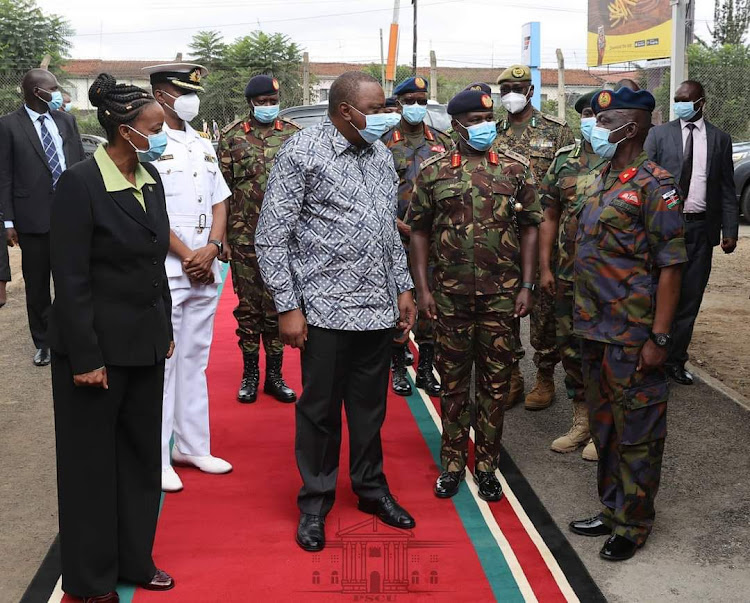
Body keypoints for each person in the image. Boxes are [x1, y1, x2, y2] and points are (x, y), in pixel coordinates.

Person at [255, 71, 417, 553]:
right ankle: (315, 502)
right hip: (323, 310)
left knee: (370, 409)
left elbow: (388, 230)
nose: (386, 115)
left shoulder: (380, 155)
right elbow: (272, 236)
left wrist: (403, 287)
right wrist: (287, 306)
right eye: (377, 107)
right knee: (320, 412)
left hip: (376, 309)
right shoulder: (301, 154)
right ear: (346, 111)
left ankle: (370, 489)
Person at [48, 73, 175, 601]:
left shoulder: (149, 177)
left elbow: (153, 263)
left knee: (140, 457)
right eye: (154, 127)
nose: (162, 134)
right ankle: (92, 577)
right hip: (96, 350)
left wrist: (164, 328)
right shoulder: (80, 183)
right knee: (91, 467)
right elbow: (71, 276)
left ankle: (134, 559)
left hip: (144, 344)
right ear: (127, 131)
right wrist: (85, 356)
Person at [569, 87, 687, 562]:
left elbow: (672, 267)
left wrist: (660, 337)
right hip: (595, 330)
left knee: (637, 431)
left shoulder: (656, 185)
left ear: (631, 126)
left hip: (634, 334)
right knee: (606, 427)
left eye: (607, 119)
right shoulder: (601, 177)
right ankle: (613, 507)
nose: (597, 128)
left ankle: (634, 523)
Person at [408, 89, 541, 501]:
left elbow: (532, 226)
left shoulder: (516, 170)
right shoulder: (433, 172)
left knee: (495, 382)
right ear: (457, 124)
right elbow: (419, 232)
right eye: (473, 120)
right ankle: (451, 462)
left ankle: (486, 463)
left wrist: (526, 284)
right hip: (449, 296)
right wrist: (424, 289)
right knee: (452, 382)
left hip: (501, 296)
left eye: (487, 119)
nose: (483, 127)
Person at [144, 62, 233, 493]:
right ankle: (158, 455)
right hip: (168, 266)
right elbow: (148, 210)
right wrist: (186, 255)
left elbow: (220, 201)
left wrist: (212, 248)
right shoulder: (150, 144)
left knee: (195, 360)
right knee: (165, 362)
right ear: (162, 95)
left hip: (205, 265)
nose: (191, 99)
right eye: (183, 91)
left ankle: (193, 445)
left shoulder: (201, 143)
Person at [645, 80, 738, 385]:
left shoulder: (720, 139)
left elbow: (726, 188)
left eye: (686, 100)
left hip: (700, 229)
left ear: (701, 102)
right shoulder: (659, 135)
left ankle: (675, 361)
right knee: (655, 293)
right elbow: (645, 181)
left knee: (690, 297)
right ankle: (650, 357)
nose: (680, 104)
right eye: (677, 100)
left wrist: (730, 229)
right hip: (664, 228)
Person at [495, 64, 575, 411]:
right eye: (506, 88)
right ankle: (512, 373)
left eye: (519, 87)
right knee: (503, 307)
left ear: (530, 90)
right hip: (501, 237)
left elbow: (568, 181)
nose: (512, 93)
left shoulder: (556, 131)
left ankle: (545, 376)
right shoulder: (491, 131)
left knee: (543, 309)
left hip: (543, 236)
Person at [218, 75, 299, 404]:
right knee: (250, 310)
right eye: (262, 102)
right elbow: (220, 193)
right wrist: (221, 237)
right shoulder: (232, 138)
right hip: (244, 238)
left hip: (284, 240)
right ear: (251, 103)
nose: (269, 107)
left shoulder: (294, 135)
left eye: (273, 101)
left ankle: (275, 376)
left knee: (279, 306)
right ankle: (250, 374)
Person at [0, 68, 85, 366]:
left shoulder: (66, 120)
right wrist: (8, 221)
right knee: (37, 286)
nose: (59, 92)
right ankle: (44, 342)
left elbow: (77, 162)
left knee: (71, 281)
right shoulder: (8, 126)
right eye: (55, 87)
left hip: (70, 215)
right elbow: (4, 176)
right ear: (38, 92)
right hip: (31, 220)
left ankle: (71, 336)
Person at [538, 90, 604, 462]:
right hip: (567, 274)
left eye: (600, 115)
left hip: (610, 280)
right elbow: (548, 215)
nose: (593, 121)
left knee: (603, 352)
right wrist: (545, 267)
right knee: (571, 349)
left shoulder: (623, 161)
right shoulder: (565, 161)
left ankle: (604, 426)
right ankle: (581, 420)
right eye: (589, 114)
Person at [381, 76, 451, 398]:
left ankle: (426, 369)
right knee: (398, 301)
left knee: (429, 302)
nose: (417, 106)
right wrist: (395, 223)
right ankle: (397, 366)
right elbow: (371, 193)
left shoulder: (442, 141)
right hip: (393, 237)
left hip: (431, 239)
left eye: (422, 100)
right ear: (398, 104)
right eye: (410, 100)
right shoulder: (382, 142)